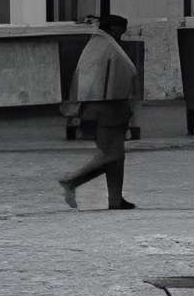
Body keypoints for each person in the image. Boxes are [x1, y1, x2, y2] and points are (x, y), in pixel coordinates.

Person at [59, 14, 141, 211]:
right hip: (106, 109)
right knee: (111, 155)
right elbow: (122, 73)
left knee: (116, 158)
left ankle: (115, 200)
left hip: (107, 107)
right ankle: (72, 181)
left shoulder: (99, 44)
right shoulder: (106, 46)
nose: (123, 33)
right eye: (122, 29)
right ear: (113, 28)